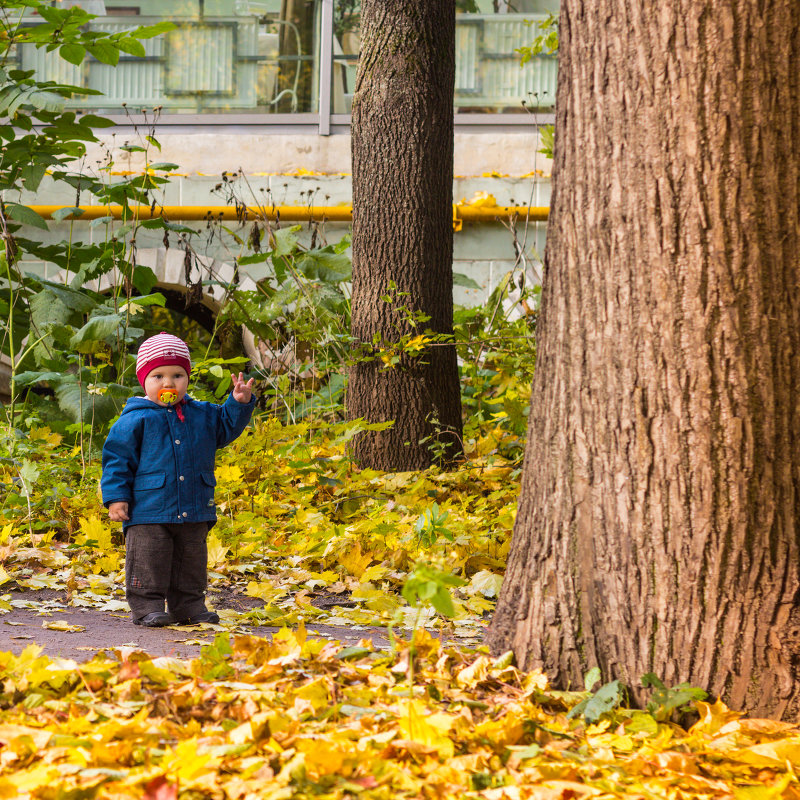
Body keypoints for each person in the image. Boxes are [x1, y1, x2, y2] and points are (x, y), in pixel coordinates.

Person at [101, 332, 255, 628]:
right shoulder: (135, 418)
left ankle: (189, 606)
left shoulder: (201, 414)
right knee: (148, 559)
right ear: (143, 380)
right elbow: (117, 460)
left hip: (194, 504)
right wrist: (117, 496)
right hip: (148, 508)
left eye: (177, 375)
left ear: (188, 377)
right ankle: (147, 606)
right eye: (158, 376)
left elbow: (225, 427)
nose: (168, 383)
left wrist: (238, 402)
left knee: (191, 563)